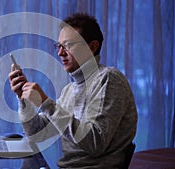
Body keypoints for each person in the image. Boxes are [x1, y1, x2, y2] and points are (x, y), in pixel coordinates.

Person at [8, 13, 137, 168]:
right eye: (59, 46)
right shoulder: (70, 89)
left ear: (92, 46)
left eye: (68, 45)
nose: (60, 53)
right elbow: (37, 133)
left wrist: (45, 103)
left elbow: (95, 143)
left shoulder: (109, 79)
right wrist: (23, 100)